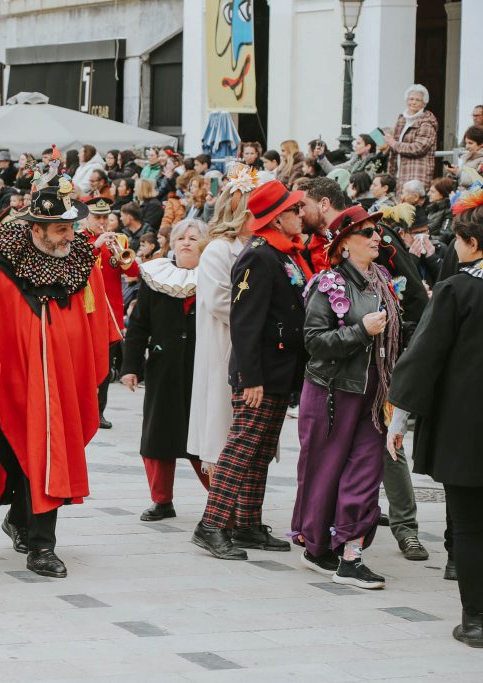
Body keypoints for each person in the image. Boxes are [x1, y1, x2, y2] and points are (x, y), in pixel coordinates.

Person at [0, 182, 121, 578]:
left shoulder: (81, 264)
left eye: (71, 228)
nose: (70, 237)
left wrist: (92, 372)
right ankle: (20, 517)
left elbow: (93, 322)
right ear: (37, 228)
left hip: (59, 385)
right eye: (61, 230)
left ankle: (42, 546)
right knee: (22, 458)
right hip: (8, 387)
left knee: (48, 455)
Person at [192, 179, 310, 560]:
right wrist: (250, 377)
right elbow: (244, 320)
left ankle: (246, 523)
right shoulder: (258, 255)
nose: (300, 214)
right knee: (241, 447)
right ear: (276, 219)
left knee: (260, 450)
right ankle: (211, 524)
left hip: (279, 368)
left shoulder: (280, 253)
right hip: (259, 371)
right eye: (293, 210)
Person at [387, 193, 483, 646]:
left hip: (467, 426)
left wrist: (399, 416)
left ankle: (477, 620)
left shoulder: (457, 289)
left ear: (471, 242)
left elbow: (423, 357)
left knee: (467, 523)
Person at [291, 206, 401, 588]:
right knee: (324, 471)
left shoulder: (384, 279)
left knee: (367, 471)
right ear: (344, 242)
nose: (377, 238)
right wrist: (360, 331)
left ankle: (352, 554)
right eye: (367, 232)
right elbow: (314, 342)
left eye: (377, 231)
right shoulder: (329, 283)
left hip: (374, 393)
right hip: (332, 393)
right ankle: (317, 547)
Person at [122, 218, 210, 521]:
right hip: (164, 368)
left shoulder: (217, 276)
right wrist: (130, 366)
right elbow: (139, 325)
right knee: (158, 436)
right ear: (172, 243)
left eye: (193, 237)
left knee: (205, 437)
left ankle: (221, 500)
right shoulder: (155, 275)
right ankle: (162, 501)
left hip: (205, 369)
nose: (186, 242)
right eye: (181, 237)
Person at [188, 165, 258, 474]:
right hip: (224, 343)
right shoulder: (218, 250)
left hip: (248, 346)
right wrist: (261, 318)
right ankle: (220, 505)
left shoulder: (255, 247)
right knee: (221, 426)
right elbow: (220, 301)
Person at [82, 197, 140, 429]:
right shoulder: (79, 239)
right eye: (97, 217)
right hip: (88, 308)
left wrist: (118, 250)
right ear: (87, 217)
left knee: (105, 362)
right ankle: (83, 408)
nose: (102, 222)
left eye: (106, 217)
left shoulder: (120, 239)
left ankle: (99, 412)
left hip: (111, 311)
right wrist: (96, 246)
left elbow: (133, 272)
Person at [386, 85, 439, 190]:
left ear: (424, 103)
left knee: (411, 204)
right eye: (411, 99)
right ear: (406, 101)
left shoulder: (427, 122)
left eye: (418, 100)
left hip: (417, 173)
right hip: (399, 172)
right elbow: (395, 146)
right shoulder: (402, 120)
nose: (413, 102)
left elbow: (419, 148)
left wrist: (394, 143)